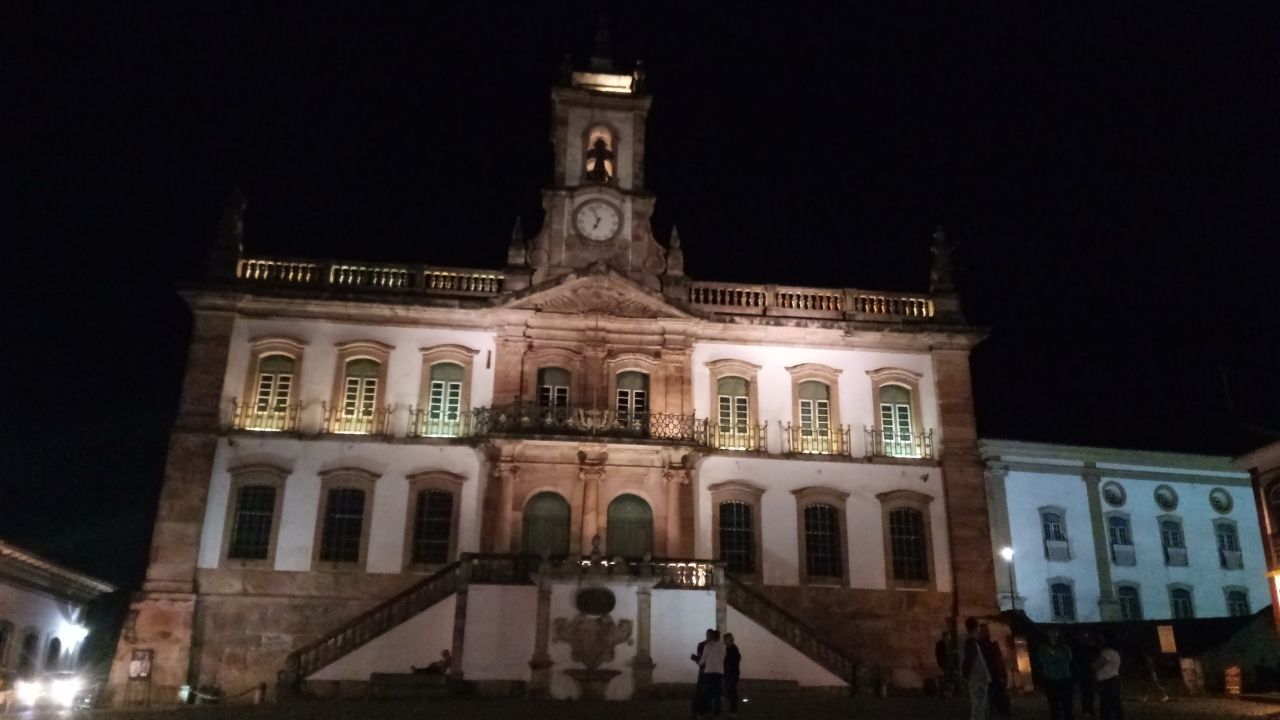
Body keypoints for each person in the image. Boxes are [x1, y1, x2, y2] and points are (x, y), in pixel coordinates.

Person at [1036, 629, 1075, 720]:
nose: (1053, 634)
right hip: (1051, 678)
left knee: (1067, 702)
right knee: (1053, 703)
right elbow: (1044, 660)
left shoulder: (1064, 647)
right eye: (1051, 631)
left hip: (1064, 677)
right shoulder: (1043, 647)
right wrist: (1058, 657)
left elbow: (1069, 658)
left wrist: (1054, 656)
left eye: (1055, 631)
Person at [961, 617, 991, 720]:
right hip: (977, 679)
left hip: (978, 678)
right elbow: (969, 660)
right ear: (975, 627)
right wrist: (965, 675)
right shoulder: (971, 642)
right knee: (978, 706)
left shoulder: (973, 642)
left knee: (979, 706)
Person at [980, 623, 1011, 717]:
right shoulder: (979, 647)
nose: (986, 633)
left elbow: (999, 661)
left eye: (986, 631)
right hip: (987, 680)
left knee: (1003, 704)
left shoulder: (993, 645)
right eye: (983, 631)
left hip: (997, 679)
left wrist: (1004, 675)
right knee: (990, 705)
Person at [696, 630, 727, 719]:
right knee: (717, 694)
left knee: (707, 693)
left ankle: (705, 712)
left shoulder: (708, 646)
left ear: (713, 636)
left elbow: (703, 660)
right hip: (719, 672)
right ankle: (717, 714)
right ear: (719, 637)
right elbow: (723, 658)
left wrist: (698, 662)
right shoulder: (723, 646)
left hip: (709, 672)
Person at [1093, 635, 1123, 720]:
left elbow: (1097, 665)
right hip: (1113, 681)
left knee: (1106, 707)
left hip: (1108, 682)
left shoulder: (1107, 652)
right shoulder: (1115, 653)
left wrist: (1091, 665)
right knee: (1115, 705)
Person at [691, 629, 714, 716]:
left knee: (705, 691)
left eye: (710, 635)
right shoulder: (702, 645)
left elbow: (701, 658)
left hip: (707, 671)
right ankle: (701, 710)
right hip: (705, 671)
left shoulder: (706, 645)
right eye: (708, 635)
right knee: (702, 691)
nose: (709, 637)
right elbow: (701, 658)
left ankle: (703, 710)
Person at [1075, 632, 1098, 717]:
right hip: (1084, 673)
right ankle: (1086, 710)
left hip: (1090, 672)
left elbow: (1096, 656)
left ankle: (1089, 709)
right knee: (1085, 692)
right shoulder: (1080, 648)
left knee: (1090, 693)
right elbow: (1078, 660)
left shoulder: (1091, 648)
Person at [723, 633, 741, 717]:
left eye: (725, 640)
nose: (724, 641)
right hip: (729, 673)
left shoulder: (734, 649)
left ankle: (733, 710)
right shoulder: (728, 648)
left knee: (732, 691)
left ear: (729, 640)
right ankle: (732, 710)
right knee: (730, 691)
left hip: (732, 673)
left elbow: (735, 661)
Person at [936, 630, 957, 698]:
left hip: (949, 663)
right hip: (944, 663)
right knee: (944, 678)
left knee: (949, 678)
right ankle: (943, 693)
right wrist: (940, 663)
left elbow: (951, 653)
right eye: (947, 636)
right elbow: (938, 654)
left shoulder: (950, 644)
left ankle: (949, 693)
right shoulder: (940, 644)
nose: (948, 638)